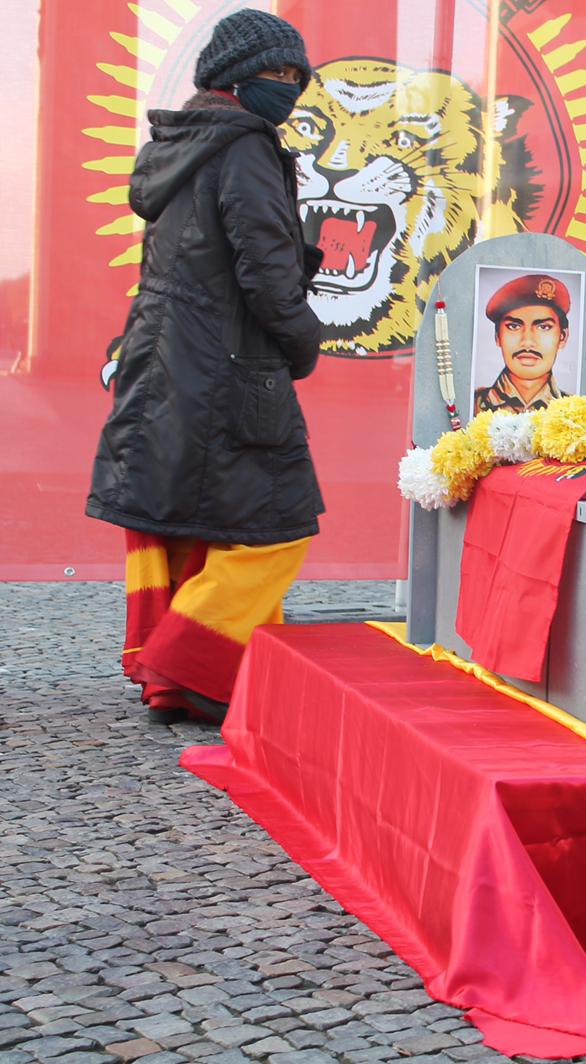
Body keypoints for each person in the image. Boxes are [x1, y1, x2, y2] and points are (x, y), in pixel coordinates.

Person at [86, 10, 324, 726]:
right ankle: (186, 665)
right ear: (235, 77)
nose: (288, 88)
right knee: (277, 525)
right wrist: (302, 342)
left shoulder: (182, 145)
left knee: (194, 522)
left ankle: (178, 681)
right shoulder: (246, 146)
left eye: (297, 77)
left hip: (166, 360)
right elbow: (266, 271)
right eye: (276, 72)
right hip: (229, 365)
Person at [474, 274, 571, 413]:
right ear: (498, 336)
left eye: (543, 327)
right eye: (514, 326)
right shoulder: (471, 405)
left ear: (562, 337)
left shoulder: (576, 411)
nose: (527, 342)